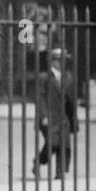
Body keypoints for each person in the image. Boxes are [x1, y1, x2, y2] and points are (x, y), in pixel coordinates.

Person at [34, 48, 76, 179]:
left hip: (64, 117)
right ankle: (38, 161)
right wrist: (44, 116)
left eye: (63, 60)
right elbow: (39, 98)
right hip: (50, 116)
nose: (61, 63)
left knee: (64, 145)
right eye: (58, 60)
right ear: (52, 61)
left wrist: (73, 119)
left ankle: (60, 171)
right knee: (53, 143)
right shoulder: (44, 77)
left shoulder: (68, 77)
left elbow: (71, 100)